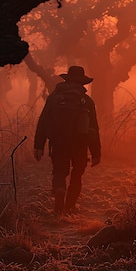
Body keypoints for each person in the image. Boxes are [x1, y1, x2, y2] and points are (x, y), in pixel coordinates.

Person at [34, 65, 101, 215]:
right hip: (80, 142)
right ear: (83, 83)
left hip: (58, 141)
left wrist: (38, 145)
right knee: (77, 174)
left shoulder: (54, 98)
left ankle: (59, 189)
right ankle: (70, 207)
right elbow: (94, 127)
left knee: (59, 171)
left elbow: (43, 121)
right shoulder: (86, 100)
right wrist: (96, 153)